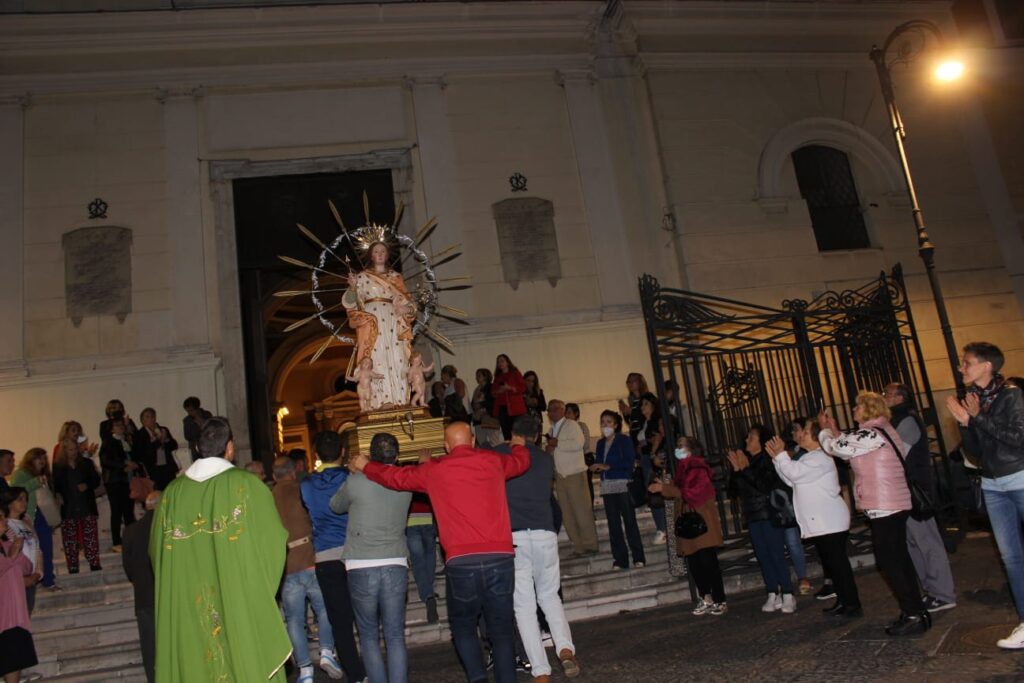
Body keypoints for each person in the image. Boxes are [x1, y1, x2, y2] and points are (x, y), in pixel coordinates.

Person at [348, 422, 531, 683]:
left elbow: (396, 479)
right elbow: (521, 463)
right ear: (473, 441)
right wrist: (519, 447)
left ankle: (478, 678)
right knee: (501, 630)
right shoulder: (493, 461)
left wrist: (367, 465)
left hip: (461, 563)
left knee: (463, 627)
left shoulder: (435, 470)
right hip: (500, 558)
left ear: (446, 446)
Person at [149, 416, 291, 681]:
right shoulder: (248, 485)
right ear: (229, 448)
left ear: (197, 449)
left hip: (188, 604)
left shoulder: (171, 494)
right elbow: (272, 543)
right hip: (235, 599)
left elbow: (157, 553)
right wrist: (254, 592)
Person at [820, 392, 929, 636]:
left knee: (891, 562)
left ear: (868, 409)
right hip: (892, 503)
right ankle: (915, 610)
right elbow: (851, 446)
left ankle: (913, 613)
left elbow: (836, 448)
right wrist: (835, 430)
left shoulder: (872, 433)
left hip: (886, 505)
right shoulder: (881, 430)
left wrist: (825, 431)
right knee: (898, 560)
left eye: (857, 407)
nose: (854, 410)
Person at [946, 342, 1024, 648]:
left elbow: (1018, 439)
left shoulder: (1012, 395)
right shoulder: (975, 400)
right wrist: (966, 424)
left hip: (1019, 478)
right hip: (992, 484)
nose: (961, 367)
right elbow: (976, 454)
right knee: (1012, 558)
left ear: (986, 366)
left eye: (967, 362)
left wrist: (977, 419)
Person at [497, 415, 580, 681]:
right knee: (549, 596)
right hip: (544, 533)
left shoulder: (500, 454)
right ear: (537, 435)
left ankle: (541, 671)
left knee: (523, 606)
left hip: (515, 536)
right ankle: (565, 648)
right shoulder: (545, 458)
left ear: (511, 432)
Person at [331, 433, 413, 683]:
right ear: (397, 456)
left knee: (368, 635)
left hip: (361, 562)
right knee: (395, 635)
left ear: (369, 456)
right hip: (395, 560)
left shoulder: (357, 481)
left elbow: (335, 505)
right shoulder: (404, 482)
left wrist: (355, 472)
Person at [767, 420, 861, 618]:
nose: (802, 435)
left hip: (830, 521)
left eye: (807, 432)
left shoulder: (820, 457)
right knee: (832, 565)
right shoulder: (809, 458)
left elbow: (794, 473)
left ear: (817, 437)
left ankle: (852, 604)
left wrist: (782, 455)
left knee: (839, 565)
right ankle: (844, 601)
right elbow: (790, 479)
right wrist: (778, 459)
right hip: (822, 522)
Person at [300, 430, 367, 683]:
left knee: (340, 622)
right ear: (342, 452)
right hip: (355, 552)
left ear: (316, 455)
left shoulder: (306, 484)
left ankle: (358, 675)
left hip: (326, 556)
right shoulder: (353, 477)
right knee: (365, 617)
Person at [884, 382, 956, 613]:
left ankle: (943, 593)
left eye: (887, 394)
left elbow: (896, 455)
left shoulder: (907, 420)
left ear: (900, 398)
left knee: (928, 543)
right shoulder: (895, 421)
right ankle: (931, 591)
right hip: (904, 491)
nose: (884, 397)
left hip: (917, 492)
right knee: (914, 543)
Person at [272, 456, 343, 683]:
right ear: (294, 472)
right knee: (324, 609)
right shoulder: (302, 489)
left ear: (274, 476)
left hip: (287, 565)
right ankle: (325, 651)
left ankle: (305, 670)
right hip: (310, 557)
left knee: (294, 619)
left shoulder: (268, 496)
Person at [651, 436, 726, 615]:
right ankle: (706, 597)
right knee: (694, 563)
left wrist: (665, 489)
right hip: (688, 521)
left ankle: (720, 599)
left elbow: (693, 493)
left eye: (681, 446)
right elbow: (680, 492)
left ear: (692, 449)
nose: (678, 449)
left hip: (701, 519)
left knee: (708, 561)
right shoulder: (682, 470)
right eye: (677, 445)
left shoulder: (699, 468)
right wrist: (665, 487)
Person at [726, 425, 796, 614]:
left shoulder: (768, 460)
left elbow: (765, 486)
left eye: (751, 437)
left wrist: (746, 469)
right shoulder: (745, 461)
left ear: (761, 441)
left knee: (776, 553)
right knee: (763, 556)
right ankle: (773, 591)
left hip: (769, 514)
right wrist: (735, 470)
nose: (747, 439)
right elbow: (733, 491)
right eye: (747, 436)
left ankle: (788, 592)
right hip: (752, 515)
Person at [344, 239, 417, 409]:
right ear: (371, 255)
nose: (380, 255)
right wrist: (353, 288)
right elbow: (350, 304)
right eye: (376, 252)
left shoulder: (395, 277)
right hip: (371, 322)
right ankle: (379, 402)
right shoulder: (362, 277)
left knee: (397, 357)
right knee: (375, 359)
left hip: (392, 320)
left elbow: (410, 304)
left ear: (387, 255)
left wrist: (405, 309)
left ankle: (400, 400)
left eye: (383, 252)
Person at [591, 410, 646, 569]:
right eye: (602, 422)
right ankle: (620, 560)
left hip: (622, 484)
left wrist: (609, 466)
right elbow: (600, 462)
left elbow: (629, 463)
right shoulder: (600, 443)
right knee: (613, 525)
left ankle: (638, 557)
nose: (605, 425)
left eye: (608, 422)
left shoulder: (624, 440)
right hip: (607, 486)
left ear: (615, 425)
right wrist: (596, 467)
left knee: (630, 522)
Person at [546, 400, 598, 556]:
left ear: (563, 410)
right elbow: (554, 449)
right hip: (560, 475)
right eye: (549, 410)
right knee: (567, 514)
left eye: (555, 409)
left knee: (582, 511)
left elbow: (578, 444)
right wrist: (549, 449)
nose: (551, 412)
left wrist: (557, 443)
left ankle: (591, 545)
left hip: (575, 474)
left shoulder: (572, 425)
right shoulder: (551, 429)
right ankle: (578, 546)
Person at [122, 491, 161, 683]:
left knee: (150, 649)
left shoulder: (131, 530)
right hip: (168, 596)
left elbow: (128, 567)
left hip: (144, 597)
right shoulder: (169, 528)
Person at [52, 435, 101, 573]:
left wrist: (87, 485)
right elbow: (55, 485)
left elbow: (96, 480)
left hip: (86, 504)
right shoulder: (58, 466)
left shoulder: (86, 463)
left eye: (75, 449)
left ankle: (94, 562)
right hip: (69, 505)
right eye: (69, 450)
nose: (73, 452)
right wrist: (57, 495)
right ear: (64, 451)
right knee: (70, 538)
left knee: (90, 536)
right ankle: (73, 566)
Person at [0, 505, 38, 683]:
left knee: (14, 663)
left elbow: (26, 566)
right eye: (0, 518)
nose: (5, 522)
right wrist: (10, 557)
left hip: (15, 617)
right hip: (2, 616)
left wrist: (15, 545)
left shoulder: (6, 545)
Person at [10, 448, 57, 590]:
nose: (42, 461)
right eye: (38, 458)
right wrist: (35, 482)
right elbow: (16, 492)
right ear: (30, 459)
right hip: (29, 516)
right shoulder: (20, 474)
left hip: (43, 515)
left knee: (47, 549)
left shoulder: (44, 475)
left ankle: (48, 580)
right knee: (32, 550)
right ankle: (33, 579)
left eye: (44, 458)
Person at [0, 488, 41, 614]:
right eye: (20, 499)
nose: (24, 503)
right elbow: (9, 554)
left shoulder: (26, 522)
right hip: (16, 578)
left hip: (31, 576)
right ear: (9, 502)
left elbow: (37, 549)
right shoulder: (4, 526)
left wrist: (39, 572)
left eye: (26, 499)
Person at [99, 417, 138, 552]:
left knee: (128, 511)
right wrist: (123, 466)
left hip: (127, 480)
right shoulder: (108, 442)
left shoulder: (126, 440)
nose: (121, 427)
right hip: (115, 481)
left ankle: (132, 539)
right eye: (117, 425)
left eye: (121, 425)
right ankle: (116, 541)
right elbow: (105, 461)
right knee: (116, 511)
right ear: (111, 428)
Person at [406, 470, 439, 624]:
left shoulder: (406, 481)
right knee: (430, 557)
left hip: (411, 522)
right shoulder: (427, 478)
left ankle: (428, 595)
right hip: (428, 520)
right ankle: (429, 591)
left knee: (418, 562)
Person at [637, 393, 668, 544]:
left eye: (646, 404)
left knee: (656, 494)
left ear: (653, 405)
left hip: (652, 461)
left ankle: (662, 530)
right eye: (641, 405)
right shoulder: (645, 422)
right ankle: (662, 528)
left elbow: (658, 438)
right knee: (652, 494)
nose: (643, 407)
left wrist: (653, 453)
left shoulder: (656, 422)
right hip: (645, 460)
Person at [135, 408, 180, 491]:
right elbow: (143, 453)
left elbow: (174, 446)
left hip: (167, 467)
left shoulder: (163, 429)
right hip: (153, 469)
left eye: (152, 416)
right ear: (142, 420)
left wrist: (166, 439)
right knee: (156, 493)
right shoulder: (140, 434)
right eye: (147, 417)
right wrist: (159, 441)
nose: (150, 419)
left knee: (170, 491)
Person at [491, 354, 527, 440]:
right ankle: (509, 451)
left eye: (502, 361)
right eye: (498, 362)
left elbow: (522, 388)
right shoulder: (497, 377)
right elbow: (493, 393)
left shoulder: (515, 373)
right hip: (503, 408)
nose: (500, 363)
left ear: (508, 362)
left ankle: (518, 449)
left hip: (515, 408)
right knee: (506, 432)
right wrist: (500, 391)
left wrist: (509, 388)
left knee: (517, 432)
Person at [564, 403, 594, 503]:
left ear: (576, 414)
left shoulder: (582, 426)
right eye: (565, 413)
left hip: (584, 458)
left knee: (587, 486)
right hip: (570, 463)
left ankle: (590, 508)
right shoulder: (563, 429)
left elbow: (585, 444)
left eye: (569, 412)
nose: (566, 415)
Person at [471, 368, 502, 448]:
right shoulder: (477, 389)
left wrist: (480, 405)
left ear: (485, 377)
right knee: (481, 443)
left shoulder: (492, 387)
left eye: (479, 376)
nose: (476, 378)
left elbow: (493, 402)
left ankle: (496, 459)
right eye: (476, 376)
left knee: (494, 442)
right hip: (478, 420)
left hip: (490, 418)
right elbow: (473, 404)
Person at [617, 373, 648, 445]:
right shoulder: (632, 401)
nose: (630, 383)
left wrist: (631, 411)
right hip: (635, 437)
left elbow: (647, 416)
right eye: (628, 382)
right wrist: (625, 412)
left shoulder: (647, 398)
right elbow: (631, 422)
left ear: (641, 382)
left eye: (633, 380)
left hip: (646, 437)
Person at [181, 396, 212, 463]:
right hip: (196, 450)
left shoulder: (207, 415)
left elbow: (211, 430)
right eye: (187, 411)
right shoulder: (187, 420)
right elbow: (187, 436)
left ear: (197, 408)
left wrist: (201, 422)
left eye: (191, 410)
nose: (189, 413)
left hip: (209, 448)